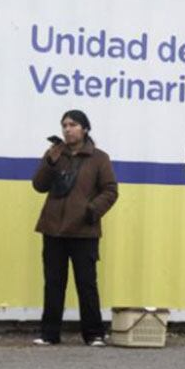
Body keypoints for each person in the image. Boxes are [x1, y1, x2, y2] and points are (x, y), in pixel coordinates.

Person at [30, 109, 117, 346]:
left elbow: (110, 191)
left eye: (73, 125)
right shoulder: (55, 155)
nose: (67, 129)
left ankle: (94, 334)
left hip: (84, 231)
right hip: (53, 229)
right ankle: (49, 333)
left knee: (86, 283)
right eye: (64, 125)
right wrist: (49, 162)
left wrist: (91, 211)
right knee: (54, 282)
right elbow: (39, 185)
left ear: (85, 129)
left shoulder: (99, 158)